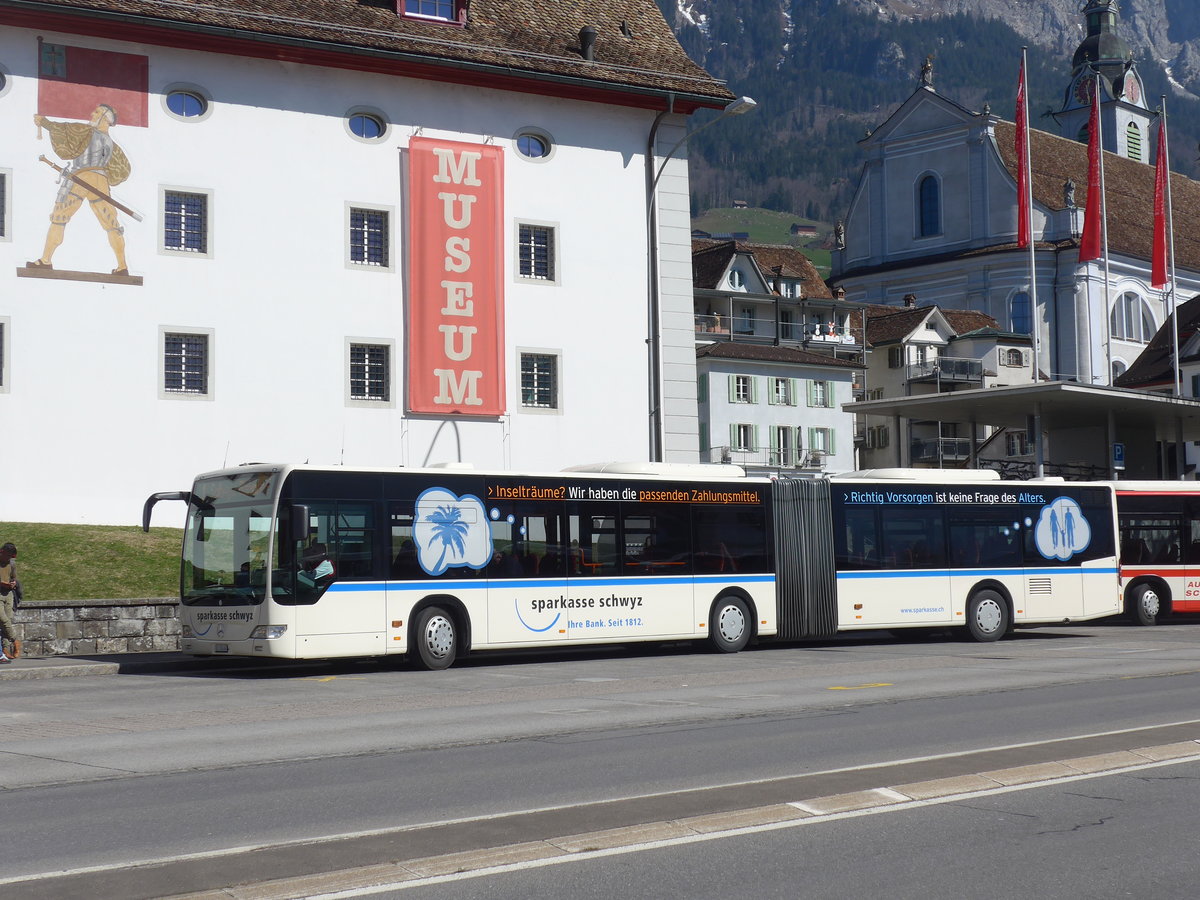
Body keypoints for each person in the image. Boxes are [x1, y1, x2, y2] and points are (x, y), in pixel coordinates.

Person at [29, 104, 132, 275]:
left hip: (81, 177)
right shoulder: (112, 144)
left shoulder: (86, 132)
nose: (92, 113)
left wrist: (44, 122)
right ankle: (122, 266)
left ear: (106, 118)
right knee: (111, 223)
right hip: (101, 181)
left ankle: (45, 260)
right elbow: (121, 169)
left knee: (59, 217)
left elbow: (64, 129)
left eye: (97, 112)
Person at [0, 542, 21, 661]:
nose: (9, 559)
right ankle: (16, 641)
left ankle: (5, 649)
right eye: (8, 556)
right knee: (3, 619)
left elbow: (13, 577)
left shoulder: (11, 564)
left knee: (7, 620)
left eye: (11, 557)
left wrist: (12, 583)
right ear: (2, 552)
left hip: (8, 594)